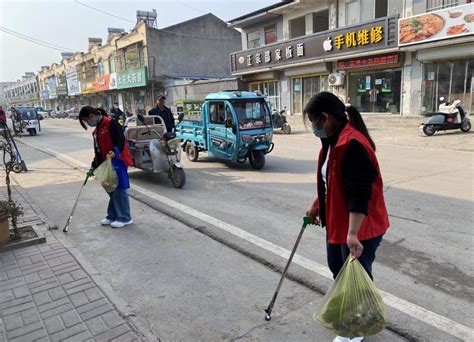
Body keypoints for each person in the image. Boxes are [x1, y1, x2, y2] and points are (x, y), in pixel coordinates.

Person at [304, 92, 389, 342]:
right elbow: (333, 180)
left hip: (361, 226)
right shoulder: (333, 140)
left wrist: (353, 234)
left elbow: (359, 193)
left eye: (314, 122)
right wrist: (318, 203)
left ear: (326, 117)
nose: (314, 128)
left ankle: (355, 330)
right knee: (338, 271)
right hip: (340, 222)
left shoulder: (353, 143)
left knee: (356, 278)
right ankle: (352, 318)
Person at [79, 106, 134, 228]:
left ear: (91, 116)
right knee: (111, 190)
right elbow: (98, 150)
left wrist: (115, 151)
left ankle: (125, 217)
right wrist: (94, 166)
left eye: (87, 120)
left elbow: (120, 141)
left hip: (118, 161)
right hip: (106, 164)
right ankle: (113, 215)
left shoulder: (111, 124)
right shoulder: (96, 130)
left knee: (119, 190)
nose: (88, 123)